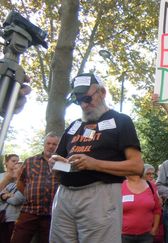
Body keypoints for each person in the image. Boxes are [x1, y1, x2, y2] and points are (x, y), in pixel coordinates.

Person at [48, 73, 144, 243]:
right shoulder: (74, 125)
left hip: (100, 194)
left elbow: (136, 166)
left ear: (102, 92)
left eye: (87, 98)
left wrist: (94, 164)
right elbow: (58, 159)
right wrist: (56, 162)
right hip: (64, 195)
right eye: (78, 101)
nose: (84, 105)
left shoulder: (121, 121)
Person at [10, 133, 60, 243]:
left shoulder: (62, 163)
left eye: (54, 144)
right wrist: (29, 195)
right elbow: (20, 182)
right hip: (29, 211)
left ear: (58, 146)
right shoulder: (30, 161)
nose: (51, 146)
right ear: (44, 144)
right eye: (48, 143)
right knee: (18, 240)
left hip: (51, 214)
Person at [122, 167, 161, 243]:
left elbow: (157, 209)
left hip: (146, 235)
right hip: (124, 235)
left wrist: (155, 228)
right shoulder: (120, 186)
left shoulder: (151, 186)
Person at [0, 157, 24, 243]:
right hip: (3, 216)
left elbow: (16, 200)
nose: (15, 164)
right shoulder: (5, 179)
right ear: (6, 162)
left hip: (14, 218)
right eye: (13, 161)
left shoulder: (23, 183)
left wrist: (5, 196)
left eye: (17, 162)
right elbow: (1, 195)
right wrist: (6, 195)